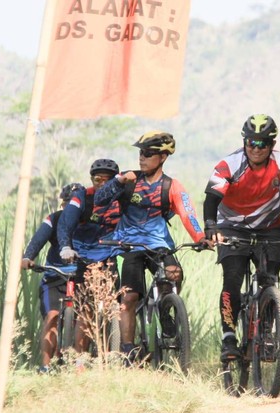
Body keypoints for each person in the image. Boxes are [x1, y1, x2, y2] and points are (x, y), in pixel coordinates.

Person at [203, 113, 280, 362]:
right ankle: (229, 337)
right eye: (251, 142)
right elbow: (212, 198)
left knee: (270, 281)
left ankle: (266, 331)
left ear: (272, 145)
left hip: (270, 227)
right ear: (244, 142)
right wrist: (210, 227)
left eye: (263, 143)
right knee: (233, 278)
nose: (256, 148)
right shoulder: (229, 164)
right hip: (232, 226)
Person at [94, 131, 207, 359]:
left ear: (163, 157)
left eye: (147, 153)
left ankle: (166, 312)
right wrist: (118, 181)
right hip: (131, 247)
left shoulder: (171, 186)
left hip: (159, 244)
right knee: (129, 297)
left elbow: (188, 214)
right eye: (140, 153)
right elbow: (99, 199)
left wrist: (200, 238)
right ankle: (128, 349)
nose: (141, 158)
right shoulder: (129, 181)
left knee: (174, 275)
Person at [57, 159, 122, 353]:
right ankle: (80, 358)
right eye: (97, 179)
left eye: (107, 180)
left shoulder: (122, 197)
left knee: (115, 302)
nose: (101, 183)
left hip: (110, 252)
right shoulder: (82, 196)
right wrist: (65, 246)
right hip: (84, 254)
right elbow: (66, 221)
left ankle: (114, 353)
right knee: (86, 307)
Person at [21, 182, 85, 373]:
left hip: (81, 275)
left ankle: (80, 364)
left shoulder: (89, 219)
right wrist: (28, 257)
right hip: (55, 274)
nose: (69, 210)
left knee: (85, 318)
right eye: (66, 204)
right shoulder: (53, 219)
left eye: (73, 205)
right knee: (52, 316)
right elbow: (38, 239)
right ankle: (46, 366)